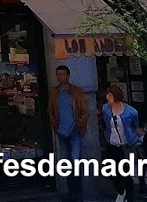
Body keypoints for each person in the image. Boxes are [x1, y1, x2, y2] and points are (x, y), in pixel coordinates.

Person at [49, 65, 90, 199]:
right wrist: (55, 124)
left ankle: (77, 193)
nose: (60, 77)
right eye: (58, 74)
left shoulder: (76, 92)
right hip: (61, 131)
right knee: (66, 163)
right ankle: (70, 192)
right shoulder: (54, 93)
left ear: (68, 76)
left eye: (62, 74)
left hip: (74, 131)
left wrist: (79, 123)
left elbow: (85, 110)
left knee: (75, 161)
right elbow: (51, 110)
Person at [100, 85, 144, 202]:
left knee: (125, 172)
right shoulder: (106, 109)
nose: (107, 98)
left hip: (127, 145)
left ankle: (129, 197)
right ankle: (120, 190)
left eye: (109, 95)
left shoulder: (131, 112)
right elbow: (105, 122)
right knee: (110, 169)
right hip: (112, 143)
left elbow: (135, 125)